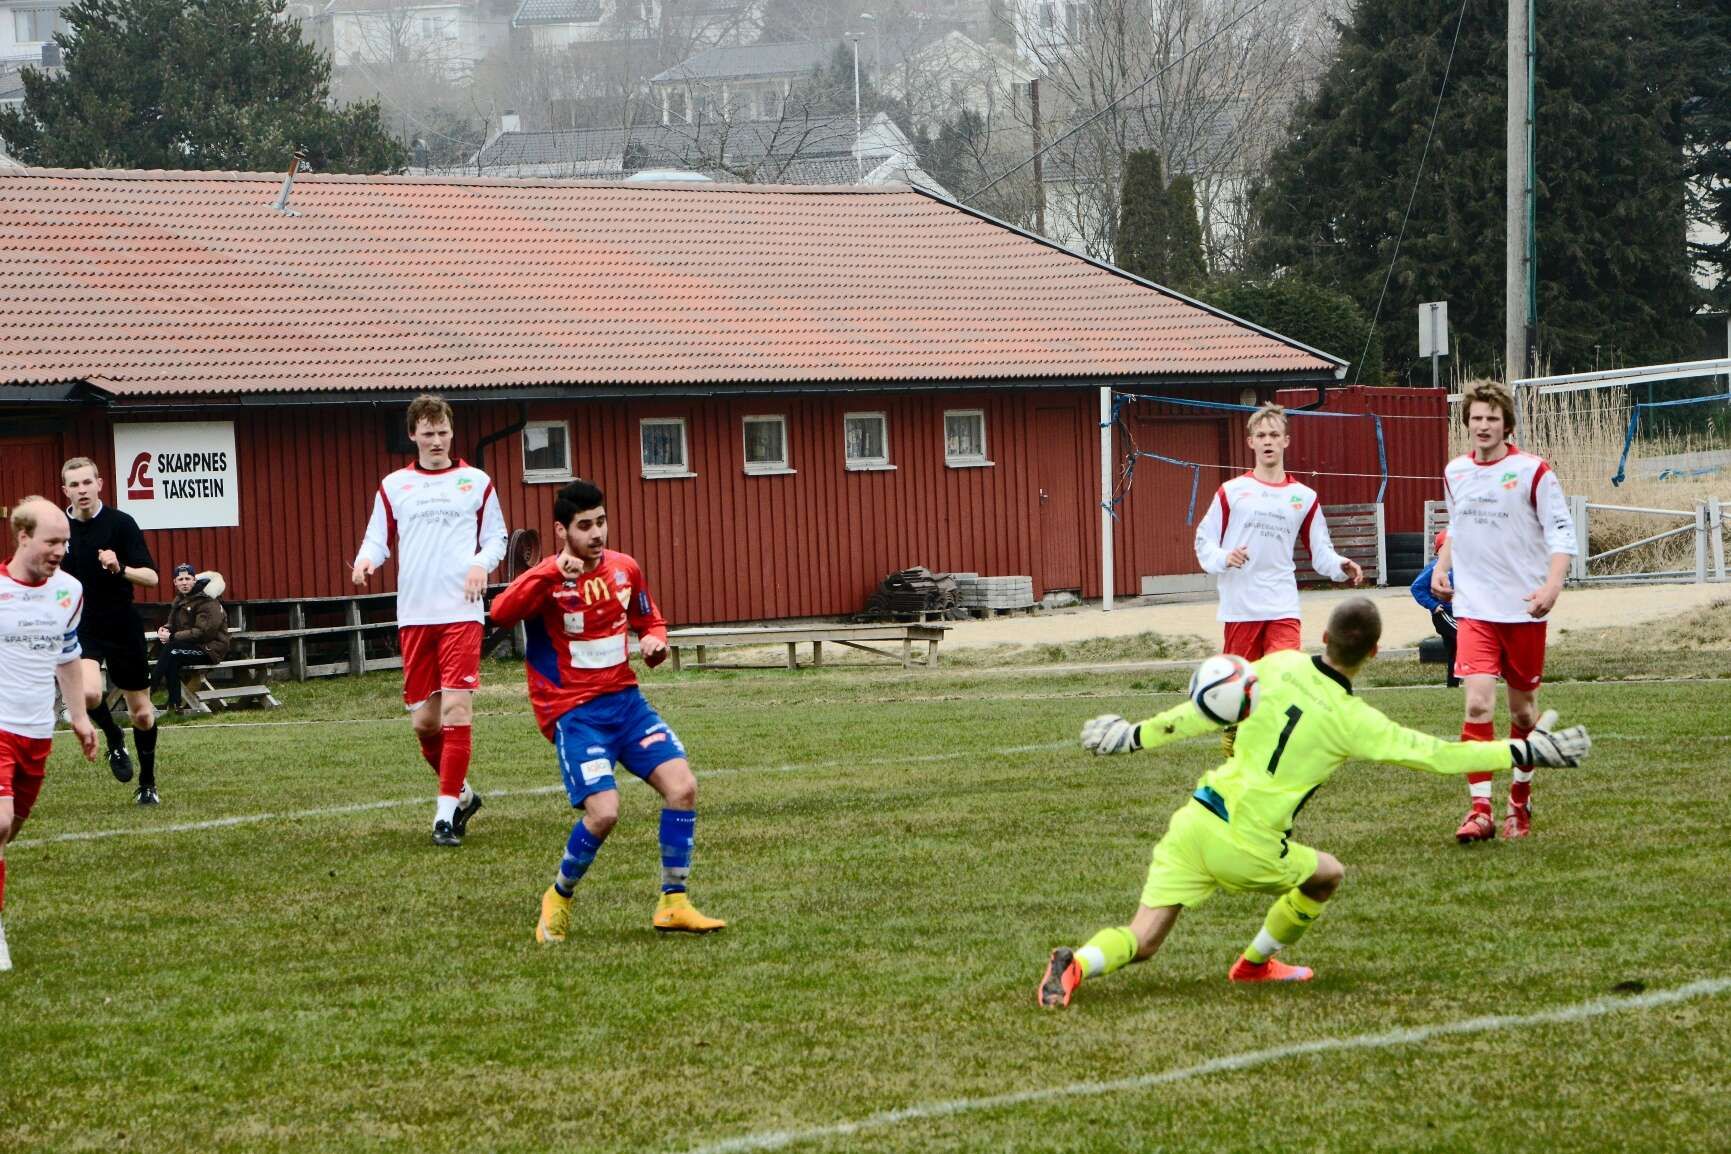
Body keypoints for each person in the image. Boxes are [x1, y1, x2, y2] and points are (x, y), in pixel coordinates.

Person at [1037, 597, 1590, 1009]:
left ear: (1321, 635)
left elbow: (1206, 710)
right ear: (1374, 652)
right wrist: (1525, 749)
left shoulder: (1276, 665)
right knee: (1326, 875)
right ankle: (1254, 964)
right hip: (1251, 843)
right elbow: (1438, 755)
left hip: (1197, 818)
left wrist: (1133, 735)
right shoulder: (1354, 721)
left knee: (1142, 939)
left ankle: (1075, 964)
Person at [489, 478, 725, 943]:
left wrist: (655, 641)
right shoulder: (549, 580)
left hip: (627, 706)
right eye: (585, 526)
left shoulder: (624, 569)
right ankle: (559, 897)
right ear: (562, 530)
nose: (597, 533)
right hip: (575, 714)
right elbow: (500, 611)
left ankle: (674, 903)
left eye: (601, 522)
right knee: (604, 813)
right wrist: (551, 571)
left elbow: (649, 619)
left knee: (683, 787)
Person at [353, 394, 508, 847]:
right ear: (413, 435)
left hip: (461, 610)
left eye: (443, 432)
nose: (436, 440)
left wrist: (480, 564)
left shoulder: (475, 482)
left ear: (452, 432)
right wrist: (365, 561)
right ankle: (462, 795)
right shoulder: (394, 485)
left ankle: (443, 817)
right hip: (415, 614)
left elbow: (496, 538)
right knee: (425, 723)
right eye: (428, 433)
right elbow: (377, 539)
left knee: (457, 709)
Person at [1432, 381, 1577, 843]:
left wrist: (1552, 586)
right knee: (1477, 703)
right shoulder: (1455, 472)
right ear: (1467, 423)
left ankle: (1519, 800)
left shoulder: (1533, 471)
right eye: (1476, 418)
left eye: (1492, 418)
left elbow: (1562, 534)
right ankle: (1480, 810)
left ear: (1506, 424)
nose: (1483, 425)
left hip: (1523, 611)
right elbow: (1456, 527)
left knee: (1524, 713)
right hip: (1474, 608)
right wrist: (1441, 567)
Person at [1194, 403, 1363, 752]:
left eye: (1274, 434)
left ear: (1286, 441)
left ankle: (1275, 744)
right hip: (1241, 606)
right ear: (1251, 442)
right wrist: (1225, 557)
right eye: (1261, 435)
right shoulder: (1231, 491)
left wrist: (1340, 565)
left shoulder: (1304, 497)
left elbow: (1321, 551)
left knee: (1285, 677)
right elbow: (1203, 541)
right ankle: (1237, 733)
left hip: (1282, 603)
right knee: (1241, 686)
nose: (1268, 441)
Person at [1, 497, 100, 972]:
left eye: (65, 541)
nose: (61, 550)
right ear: (23, 537)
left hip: (37, 732)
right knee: (0, 823)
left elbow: (67, 655)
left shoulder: (70, 590)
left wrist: (79, 717)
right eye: (52, 541)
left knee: (9, 831)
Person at [60, 457, 162, 804]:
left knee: (142, 714)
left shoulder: (121, 523)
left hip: (121, 623)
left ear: (100, 484)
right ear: (65, 490)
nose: (82, 490)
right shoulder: (58, 529)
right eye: (75, 484)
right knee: (88, 694)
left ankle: (147, 784)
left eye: (87, 482)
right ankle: (114, 737)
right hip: (81, 624)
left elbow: (152, 577)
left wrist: (120, 568)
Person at [153, 564, 231, 712]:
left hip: (210, 649)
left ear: (194, 580)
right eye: (180, 579)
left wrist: (172, 636)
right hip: (192, 645)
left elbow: (203, 633)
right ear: (175, 582)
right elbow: (173, 624)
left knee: (171, 651)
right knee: (171, 658)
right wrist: (165, 629)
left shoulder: (207, 601)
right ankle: (175, 706)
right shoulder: (180, 600)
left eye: (188, 579)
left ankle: (150, 688)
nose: (184, 583)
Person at [1410, 531, 1460, 689]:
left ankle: (1453, 685)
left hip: (1459, 614)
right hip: (1443, 614)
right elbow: (1416, 588)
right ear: (1439, 550)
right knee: (1465, 637)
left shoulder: (1462, 566)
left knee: (1454, 650)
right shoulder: (1434, 568)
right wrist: (1432, 605)